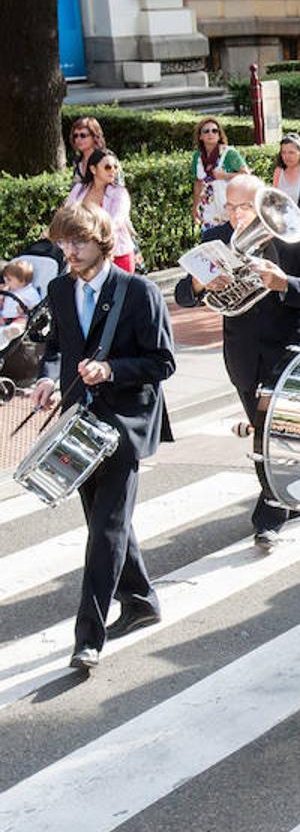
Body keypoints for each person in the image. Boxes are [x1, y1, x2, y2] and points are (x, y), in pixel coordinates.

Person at [34, 202, 175, 670]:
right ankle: (140, 599)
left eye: (78, 242)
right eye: (63, 243)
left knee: (106, 530)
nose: (69, 252)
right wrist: (47, 379)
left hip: (126, 422)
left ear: (102, 241)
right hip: (80, 423)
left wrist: (111, 369)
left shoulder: (139, 292)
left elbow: (162, 363)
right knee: (104, 522)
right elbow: (56, 347)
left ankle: (88, 637)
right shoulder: (58, 289)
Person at [174, 174, 300, 549]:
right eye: (229, 207)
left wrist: (283, 284)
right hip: (243, 353)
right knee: (267, 434)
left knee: (271, 435)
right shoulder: (214, 240)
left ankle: (269, 517)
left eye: (243, 207)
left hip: (289, 349)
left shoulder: (293, 234)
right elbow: (182, 295)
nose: (235, 216)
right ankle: (288, 493)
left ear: (262, 203)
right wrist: (199, 285)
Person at [66, 149, 137, 273]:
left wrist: (94, 235)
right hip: (85, 255)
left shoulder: (119, 192)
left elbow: (116, 221)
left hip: (117, 254)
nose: (113, 171)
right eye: (108, 167)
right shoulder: (79, 190)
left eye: (115, 167)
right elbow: (67, 214)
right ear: (93, 169)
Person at [191, 117, 249, 230]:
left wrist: (225, 176)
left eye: (214, 130)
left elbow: (247, 175)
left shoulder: (228, 153)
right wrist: (195, 206)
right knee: (211, 244)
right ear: (200, 136)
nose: (210, 133)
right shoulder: (197, 157)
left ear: (219, 135)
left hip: (231, 211)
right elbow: (198, 182)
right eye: (206, 131)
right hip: (209, 212)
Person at [68, 116, 108, 186]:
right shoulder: (78, 161)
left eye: (83, 135)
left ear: (94, 136)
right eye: (75, 136)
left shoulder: (106, 158)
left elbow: (117, 187)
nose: (78, 139)